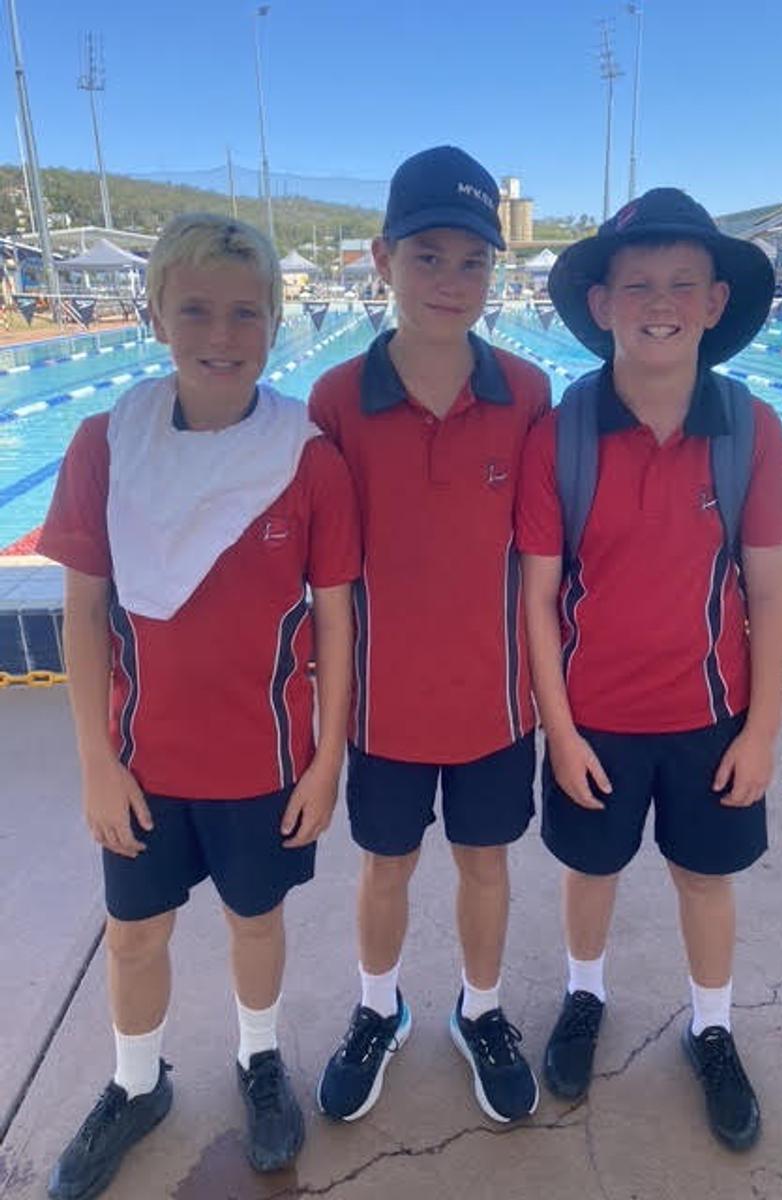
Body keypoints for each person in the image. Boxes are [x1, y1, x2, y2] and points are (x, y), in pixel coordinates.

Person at [39, 212, 359, 1199]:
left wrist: (327, 760)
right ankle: (138, 1084)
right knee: (134, 934)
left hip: (265, 761)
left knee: (256, 921)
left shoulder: (308, 459)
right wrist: (95, 762)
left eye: (245, 313)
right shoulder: (106, 444)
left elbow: (337, 619)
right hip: (143, 763)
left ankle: (259, 1061)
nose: (222, 334)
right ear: (156, 317)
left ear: (276, 325)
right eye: (196, 310)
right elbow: (83, 613)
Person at [516, 189, 782, 1150]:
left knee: (704, 880)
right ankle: (584, 994)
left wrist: (762, 734)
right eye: (637, 285)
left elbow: (772, 592)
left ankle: (711, 1027)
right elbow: (538, 599)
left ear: (716, 302)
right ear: (602, 305)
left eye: (682, 283)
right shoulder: (562, 434)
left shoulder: (752, 431)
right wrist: (559, 734)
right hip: (593, 718)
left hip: (712, 718)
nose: (660, 302)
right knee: (590, 871)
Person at [308, 146, 550, 1125]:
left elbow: (548, 559)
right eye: (428, 257)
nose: (452, 281)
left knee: (487, 864)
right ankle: (379, 1008)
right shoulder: (335, 402)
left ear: (495, 272)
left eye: (473, 261)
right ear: (383, 259)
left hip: (497, 703)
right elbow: (319, 577)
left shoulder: (529, 394)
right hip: (383, 711)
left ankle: (480, 1010)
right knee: (386, 867)